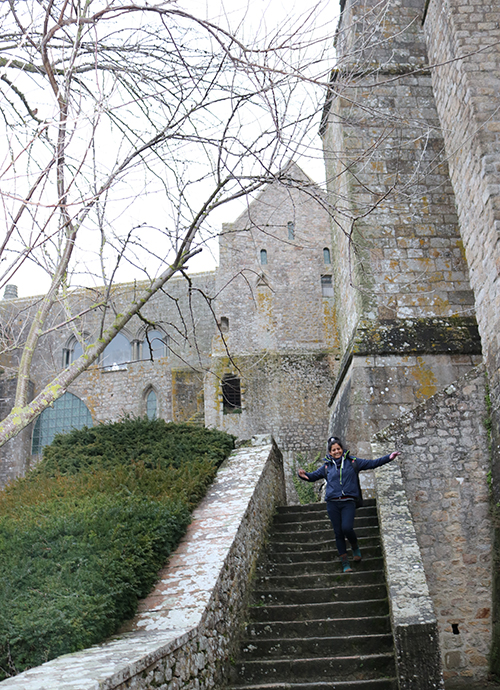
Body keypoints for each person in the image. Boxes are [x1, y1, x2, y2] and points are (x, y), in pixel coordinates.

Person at [297, 436, 400, 573]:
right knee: (338, 533)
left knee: (346, 528)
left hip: (348, 501)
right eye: (333, 450)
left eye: (338, 449)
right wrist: (303, 475)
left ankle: (354, 546)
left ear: (342, 449)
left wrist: (389, 457)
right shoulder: (326, 467)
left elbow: (372, 463)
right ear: (329, 452)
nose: (336, 452)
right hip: (332, 503)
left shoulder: (353, 462)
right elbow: (312, 476)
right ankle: (345, 563)